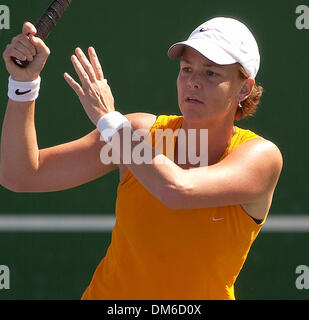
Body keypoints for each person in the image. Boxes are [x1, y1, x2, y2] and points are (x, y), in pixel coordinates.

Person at [0, 16, 282, 300]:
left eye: (210, 73)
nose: (193, 82)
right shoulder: (139, 133)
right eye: (186, 69)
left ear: (244, 88)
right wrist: (23, 86)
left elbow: (175, 189)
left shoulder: (261, 157)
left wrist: (108, 119)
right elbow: (20, 174)